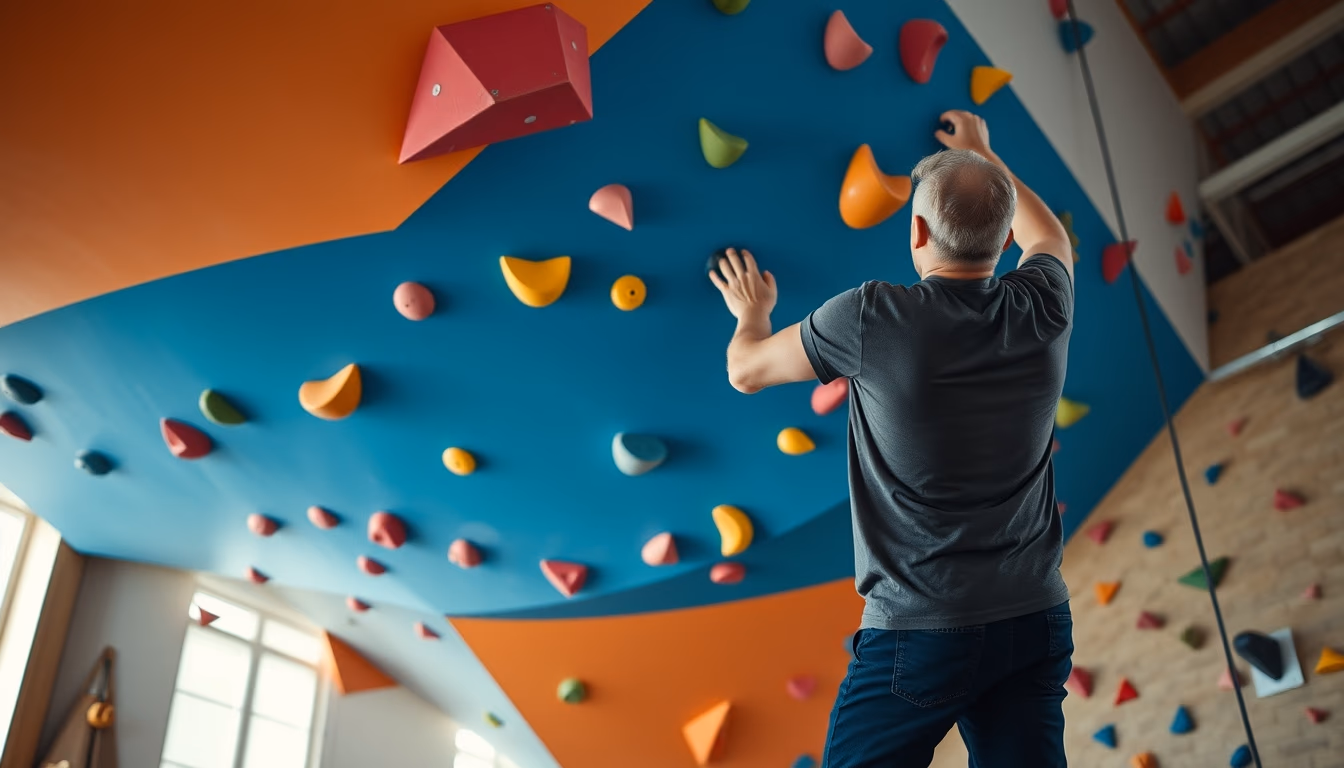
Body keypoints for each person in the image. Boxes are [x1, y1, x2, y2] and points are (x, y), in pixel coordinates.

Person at [708, 110, 1075, 767]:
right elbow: (1047, 236)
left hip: (922, 629)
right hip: (1034, 617)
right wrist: (988, 159)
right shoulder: (1044, 303)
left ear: (917, 230)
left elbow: (744, 371)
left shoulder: (873, 317)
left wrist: (752, 314)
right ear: (1001, 234)